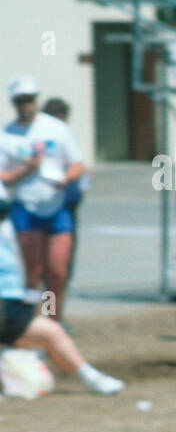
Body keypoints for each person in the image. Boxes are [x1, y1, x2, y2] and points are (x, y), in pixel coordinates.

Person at [0, 183, 122, 393]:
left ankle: (50, 325)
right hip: (28, 215)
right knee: (36, 277)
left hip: (53, 210)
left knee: (54, 276)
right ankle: (33, 342)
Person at [0, 77, 84, 322]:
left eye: (29, 99)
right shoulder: (7, 135)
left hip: (56, 206)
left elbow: (77, 164)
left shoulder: (56, 129)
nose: (26, 104)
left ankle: (53, 320)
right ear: (14, 102)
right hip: (26, 207)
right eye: (21, 100)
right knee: (33, 271)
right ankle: (31, 323)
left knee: (57, 270)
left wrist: (66, 178)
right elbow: (3, 177)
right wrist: (28, 169)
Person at [38, 97, 87, 291]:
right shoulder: (51, 137)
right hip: (55, 205)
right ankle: (49, 305)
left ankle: (51, 306)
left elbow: (77, 166)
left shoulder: (61, 136)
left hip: (66, 203)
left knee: (57, 266)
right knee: (53, 265)